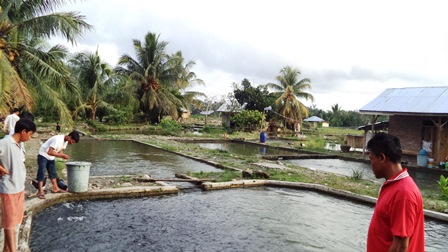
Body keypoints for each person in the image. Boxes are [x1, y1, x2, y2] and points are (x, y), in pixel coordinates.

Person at [366, 132, 425, 252]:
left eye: (371, 159)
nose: (370, 164)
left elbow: (400, 247)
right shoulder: (393, 186)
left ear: (382, 158)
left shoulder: (403, 193)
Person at [0, 118, 36, 252]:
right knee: (9, 223)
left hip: (19, 188)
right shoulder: (5, 143)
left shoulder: (19, 144)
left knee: (16, 221)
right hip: (9, 188)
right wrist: (2, 169)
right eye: (30, 134)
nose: (30, 137)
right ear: (23, 131)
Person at [36, 130, 80, 199]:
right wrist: (61, 156)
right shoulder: (58, 139)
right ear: (70, 137)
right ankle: (40, 191)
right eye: (73, 141)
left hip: (51, 157)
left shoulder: (65, 141)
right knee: (42, 172)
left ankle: (55, 188)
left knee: (53, 173)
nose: (72, 143)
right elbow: (49, 152)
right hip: (43, 155)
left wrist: (63, 155)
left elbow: (60, 150)